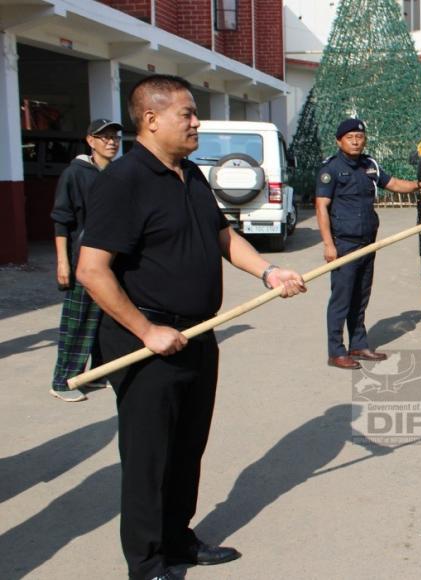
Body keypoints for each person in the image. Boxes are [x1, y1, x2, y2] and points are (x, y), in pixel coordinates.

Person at [77, 74, 306, 580]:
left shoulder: (190, 173)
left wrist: (269, 271)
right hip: (149, 345)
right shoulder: (124, 180)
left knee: (187, 448)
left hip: (199, 334)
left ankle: (178, 540)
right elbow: (91, 270)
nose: (197, 121)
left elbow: (223, 236)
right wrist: (146, 331)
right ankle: (147, 562)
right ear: (151, 120)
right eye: (187, 113)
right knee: (148, 457)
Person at [315, 118, 421, 369]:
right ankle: (336, 351)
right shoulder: (330, 170)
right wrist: (328, 244)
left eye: (359, 137)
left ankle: (358, 344)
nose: (355, 141)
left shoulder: (370, 165)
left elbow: (394, 184)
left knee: (361, 296)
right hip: (344, 244)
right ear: (339, 141)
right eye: (350, 137)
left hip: (368, 243)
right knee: (341, 299)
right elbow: (321, 206)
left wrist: (418, 186)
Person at [48, 118, 121, 402]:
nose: (111, 142)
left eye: (115, 137)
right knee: (77, 322)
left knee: (105, 320)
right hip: (83, 261)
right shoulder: (75, 174)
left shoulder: (116, 174)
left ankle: (94, 375)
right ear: (90, 141)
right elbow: (61, 221)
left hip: (111, 261)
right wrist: (63, 263)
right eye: (104, 137)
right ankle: (62, 381)